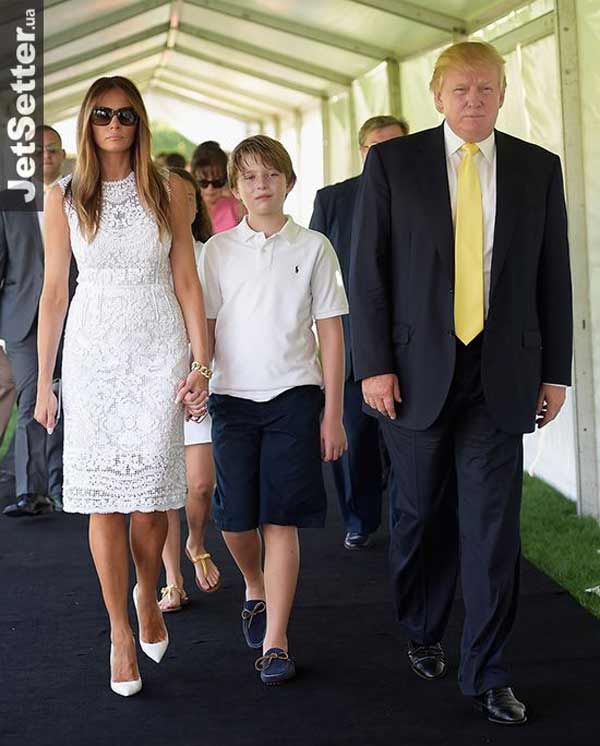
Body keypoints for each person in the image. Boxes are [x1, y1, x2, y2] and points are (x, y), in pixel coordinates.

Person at [349, 41, 572, 725]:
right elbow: (369, 273)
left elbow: (552, 274)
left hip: (502, 376)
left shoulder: (538, 168)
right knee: (418, 515)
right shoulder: (393, 163)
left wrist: (556, 372)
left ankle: (488, 671)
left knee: (492, 529)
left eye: (486, 89)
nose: (474, 101)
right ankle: (422, 627)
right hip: (414, 376)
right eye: (461, 90)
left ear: (503, 93)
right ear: (437, 95)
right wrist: (375, 365)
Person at [34, 76, 211, 697]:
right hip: (92, 355)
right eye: (103, 114)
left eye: (126, 114)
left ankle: (147, 589)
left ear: (140, 122)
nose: (114, 123)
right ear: (89, 121)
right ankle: (118, 631)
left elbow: (188, 281)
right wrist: (44, 381)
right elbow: (54, 292)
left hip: (159, 350)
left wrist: (202, 362)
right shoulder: (62, 196)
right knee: (102, 502)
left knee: (151, 502)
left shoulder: (172, 190)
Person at [201, 135, 348, 685]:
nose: (261, 186)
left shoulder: (314, 247)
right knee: (235, 519)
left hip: (294, 397)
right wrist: (198, 376)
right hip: (233, 400)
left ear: (288, 180)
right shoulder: (216, 252)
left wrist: (332, 414)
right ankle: (254, 586)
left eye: (271, 175)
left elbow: (331, 335)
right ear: (236, 190)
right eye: (250, 178)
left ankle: (276, 641)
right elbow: (208, 330)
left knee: (278, 517)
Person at [310, 115, 408, 550]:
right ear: (361, 151)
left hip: (411, 345)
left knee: (407, 444)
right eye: (377, 147)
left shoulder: (429, 193)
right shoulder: (333, 200)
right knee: (356, 441)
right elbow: (311, 273)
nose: (386, 156)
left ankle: (409, 521)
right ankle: (358, 518)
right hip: (349, 345)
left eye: (396, 147)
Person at [1, 125, 72, 518]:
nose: (45, 155)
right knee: (32, 400)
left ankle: (63, 484)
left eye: (52, 149)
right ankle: (32, 491)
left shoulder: (80, 197)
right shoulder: (9, 202)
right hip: (24, 319)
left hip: (75, 314)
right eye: (37, 150)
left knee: (70, 400)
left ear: (61, 155)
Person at [158, 167, 221, 612]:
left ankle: (195, 541)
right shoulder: (146, 255)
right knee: (161, 489)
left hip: (201, 377)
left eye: (186, 198)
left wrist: (206, 370)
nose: (179, 205)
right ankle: (171, 580)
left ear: (196, 205)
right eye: (168, 198)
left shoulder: (210, 254)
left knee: (200, 483)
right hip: (156, 378)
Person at [191, 141, 244, 233]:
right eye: (203, 182)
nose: (210, 188)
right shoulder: (186, 209)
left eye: (217, 182)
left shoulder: (238, 209)